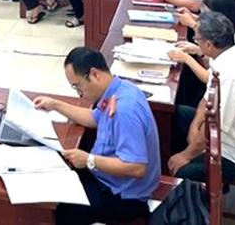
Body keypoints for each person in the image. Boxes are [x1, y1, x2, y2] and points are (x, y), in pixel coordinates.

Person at [35, 47, 158, 225]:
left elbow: (137, 168)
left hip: (123, 195)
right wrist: (55, 105)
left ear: (94, 74)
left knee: (60, 208)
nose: (79, 93)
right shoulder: (117, 89)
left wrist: (89, 160)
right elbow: (94, 118)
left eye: (78, 86)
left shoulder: (125, 110)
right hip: (107, 178)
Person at [169, 11, 235, 183]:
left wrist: (186, 155)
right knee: (177, 114)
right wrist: (194, 126)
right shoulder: (225, 56)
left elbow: (214, 125)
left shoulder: (232, 77)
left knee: (184, 171)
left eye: (197, 39)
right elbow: (206, 100)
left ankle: (198, 193)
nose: (196, 43)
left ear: (209, 44)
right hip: (229, 133)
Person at [171, 0, 235, 107]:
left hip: (227, 101)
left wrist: (187, 59)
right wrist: (198, 50)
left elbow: (210, 78)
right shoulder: (234, 34)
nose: (204, 16)